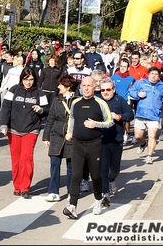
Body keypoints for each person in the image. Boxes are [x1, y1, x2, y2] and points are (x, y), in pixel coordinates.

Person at [63, 76, 114, 219]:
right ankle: (72, 205)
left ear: (94, 87)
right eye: (84, 85)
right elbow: (72, 118)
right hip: (78, 144)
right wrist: (70, 131)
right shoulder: (76, 103)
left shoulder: (100, 103)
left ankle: (98, 199)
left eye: (89, 86)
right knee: (76, 175)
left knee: (95, 176)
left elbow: (109, 122)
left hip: (94, 144)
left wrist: (95, 124)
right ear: (80, 87)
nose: (86, 88)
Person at [0, 67, 49, 199]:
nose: (28, 82)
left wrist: (40, 110)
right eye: (26, 79)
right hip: (13, 129)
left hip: (31, 129)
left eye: (31, 79)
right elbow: (5, 108)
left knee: (26, 159)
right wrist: (3, 124)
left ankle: (25, 188)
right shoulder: (14, 90)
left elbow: (47, 110)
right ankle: (17, 186)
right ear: (21, 79)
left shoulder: (39, 92)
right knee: (16, 160)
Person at [99, 78, 134, 207]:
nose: (105, 92)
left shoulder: (120, 100)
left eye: (108, 89)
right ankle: (105, 192)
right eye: (103, 90)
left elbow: (130, 115)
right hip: (101, 140)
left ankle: (112, 179)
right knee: (103, 167)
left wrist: (119, 117)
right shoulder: (98, 101)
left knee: (115, 168)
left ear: (113, 90)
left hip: (116, 140)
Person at [129, 67, 163, 165]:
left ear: (159, 76)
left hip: (154, 115)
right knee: (138, 136)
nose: (154, 76)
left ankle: (149, 156)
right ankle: (143, 144)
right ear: (148, 74)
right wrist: (138, 94)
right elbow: (131, 91)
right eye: (152, 73)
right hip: (141, 113)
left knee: (152, 135)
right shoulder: (141, 83)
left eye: (156, 74)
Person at [42, 75, 78, 202]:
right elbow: (50, 118)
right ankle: (53, 192)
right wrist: (46, 137)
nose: (58, 87)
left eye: (61, 85)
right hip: (56, 135)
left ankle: (71, 192)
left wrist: (74, 133)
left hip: (71, 136)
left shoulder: (77, 100)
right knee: (54, 164)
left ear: (68, 87)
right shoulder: (57, 100)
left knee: (71, 166)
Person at [111, 58, 136, 144]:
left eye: (124, 67)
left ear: (128, 68)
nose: (122, 68)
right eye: (121, 66)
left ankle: (126, 133)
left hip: (126, 102)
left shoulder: (131, 79)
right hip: (115, 101)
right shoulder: (114, 77)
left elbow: (133, 89)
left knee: (125, 120)